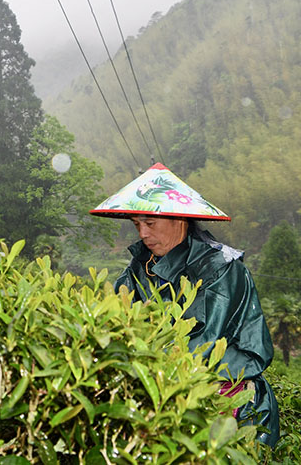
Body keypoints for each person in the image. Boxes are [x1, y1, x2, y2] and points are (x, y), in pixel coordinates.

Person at [90, 163, 279, 447]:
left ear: (180, 220)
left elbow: (203, 344)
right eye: (136, 224)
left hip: (229, 402)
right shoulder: (139, 266)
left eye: (150, 223)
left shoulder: (220, 268)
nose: (142, 233)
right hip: (168, 400)